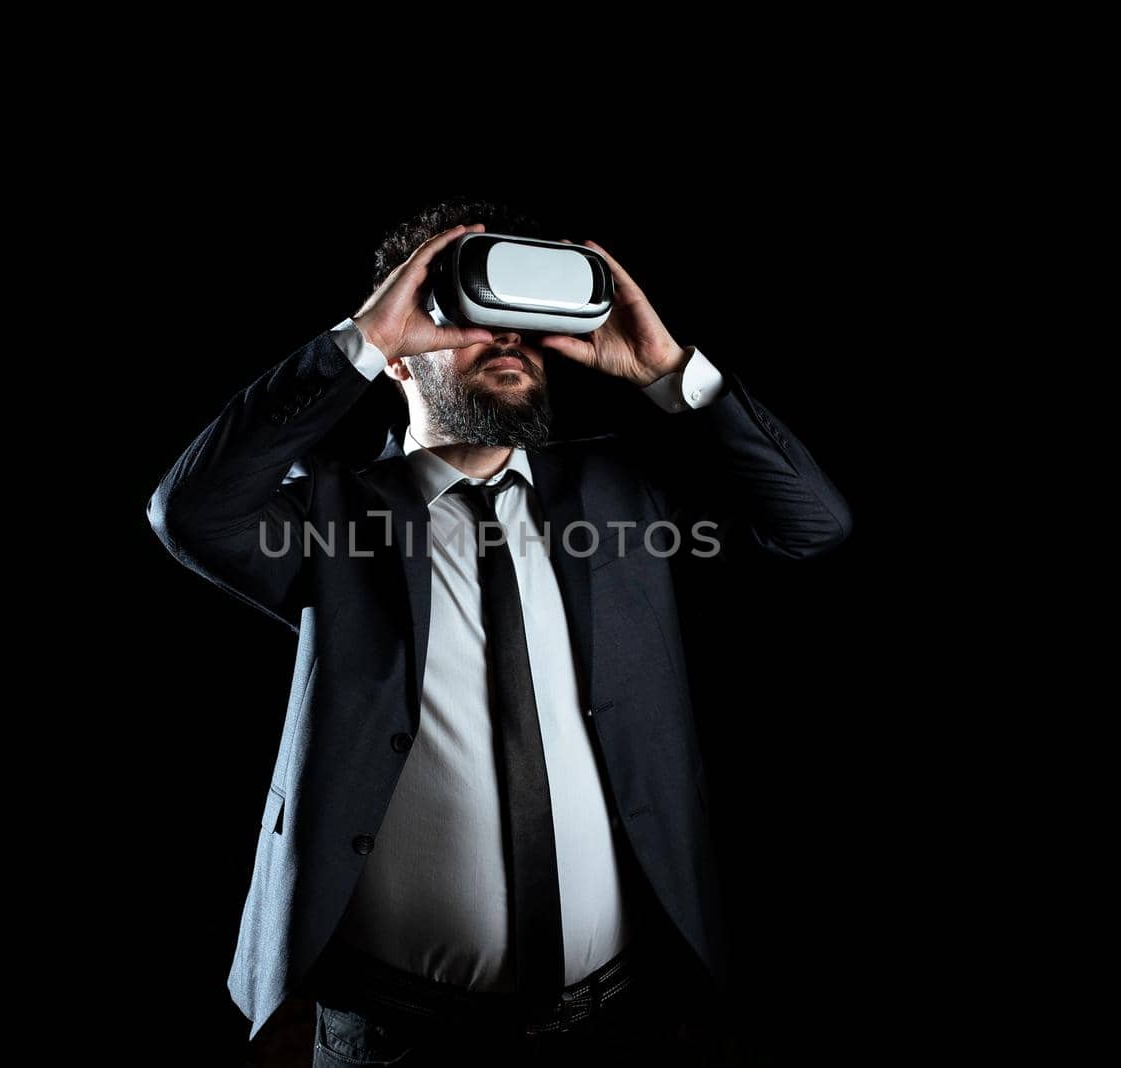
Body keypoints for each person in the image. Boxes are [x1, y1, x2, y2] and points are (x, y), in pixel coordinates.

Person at [146, 200, 852, 1065]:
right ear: (406, 352)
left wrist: (672, 371)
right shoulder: (331, 515)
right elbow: (191, 511)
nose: (509, 341)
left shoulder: (624, 497)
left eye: (524, 325)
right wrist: (357, 343)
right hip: (394, 1033)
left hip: (618, 1016)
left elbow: (811, 524)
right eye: (477, 321)